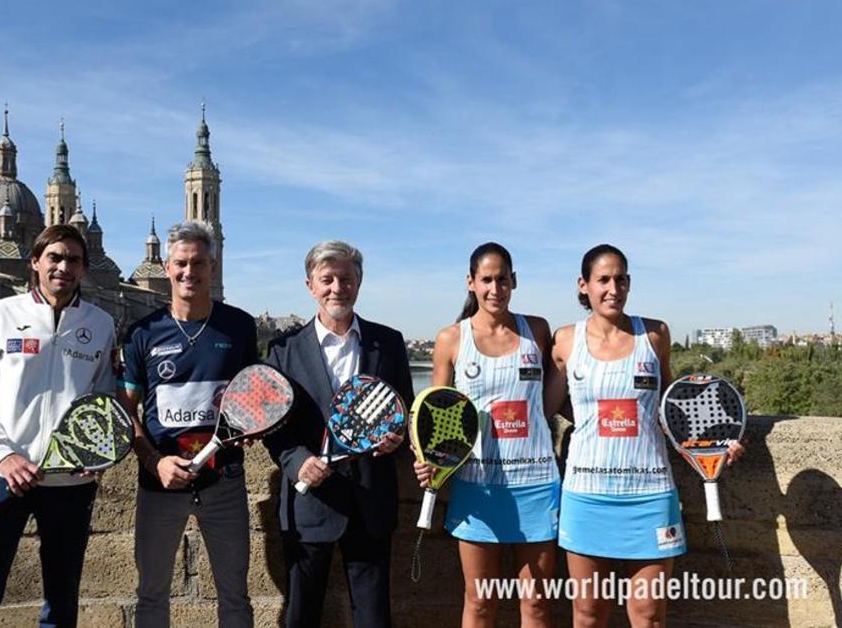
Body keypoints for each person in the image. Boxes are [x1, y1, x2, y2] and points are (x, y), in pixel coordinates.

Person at [547, 244, 743, 627]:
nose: (613, 288)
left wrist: (719, 445)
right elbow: (543, 410)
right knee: (587, 616)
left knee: (649, 616)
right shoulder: (566, 340)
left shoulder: (654, 335)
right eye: (603, 279)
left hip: (649, 495)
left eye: (621, 279)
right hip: (586, 496)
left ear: (629, 283)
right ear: (583, 285)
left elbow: (676, 410)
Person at [0, 224, 117, 628]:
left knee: (62, 600)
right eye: (54, 258)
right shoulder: (0, 314)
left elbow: (104, 400)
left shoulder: (101, 324)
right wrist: (5, 455)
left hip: (69, 484)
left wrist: (96, 454)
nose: (63, 267)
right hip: (1, 477)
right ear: (35, 263)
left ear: (83, 268)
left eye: (73, 260)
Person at [262, 240, 413, 628]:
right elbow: (272, 426)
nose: (337, 288)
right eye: (326, 279)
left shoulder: (389, 343)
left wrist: (397, 438)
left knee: (374, 617)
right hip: (310, 502)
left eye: (345, 278)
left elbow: (405, 411)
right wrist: (297, 462)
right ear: (310, 285)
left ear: (359, 283)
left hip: (371, 500)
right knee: (301, 615)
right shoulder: (283, 350)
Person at [118, 220, 258, 628]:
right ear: (167, 267)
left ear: (213, 267)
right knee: (151, 596)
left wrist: (250, 429)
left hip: (224, 481)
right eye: (181, 263)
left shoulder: (240, 326)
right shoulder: (142, 333)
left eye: (199, 263)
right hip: (161, 484)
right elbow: (126, 411)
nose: (189, 272)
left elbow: (253, 396)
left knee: (235, 597)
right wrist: (154, 462)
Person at [413, 242, 560, 627]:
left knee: (537, 605)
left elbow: (561, 398)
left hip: (537, 484)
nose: (496, 289)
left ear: (515, 281)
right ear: (471, 283)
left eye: (504, 280)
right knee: (479, 603)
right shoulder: (451, 339)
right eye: (487, 280)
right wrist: (427, 462)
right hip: (477, 486)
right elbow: (432, 414)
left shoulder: (538, 330)